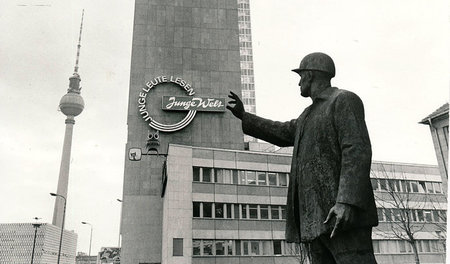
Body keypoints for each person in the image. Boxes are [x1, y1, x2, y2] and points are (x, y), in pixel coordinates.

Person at [227, 52, 378, 264]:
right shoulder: (307, 115)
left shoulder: (343, 100)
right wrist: (245, 117)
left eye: (300, 77)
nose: (299, 83)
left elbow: (357, 150)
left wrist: (345, 202)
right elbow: (281, 132)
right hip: (315, 221)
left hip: (341, 217)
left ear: (310, 75)